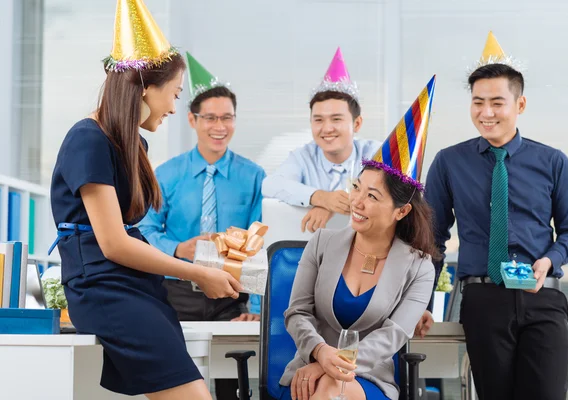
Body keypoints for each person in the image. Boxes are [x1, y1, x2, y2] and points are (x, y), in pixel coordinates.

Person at [48, 1, 241, 398]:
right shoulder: (88, 138)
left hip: (138, 287)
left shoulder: (132, 142)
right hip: (104, 288)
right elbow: (115, 243)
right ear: (145, 88)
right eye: (173, 94)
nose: (174, 106)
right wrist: (198, 272)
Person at [425, 32, 568, 400]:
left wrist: (550, 260)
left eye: (497, 102)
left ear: (520, 104)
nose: (486, 113)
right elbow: (431, 239)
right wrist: (421, 302)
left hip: (541, 295)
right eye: (478, 102)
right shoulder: (449, 162)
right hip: (483, 300)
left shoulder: (553, 162)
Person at [279, 77, 437, 400]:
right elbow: (296, 313)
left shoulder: (420, 268)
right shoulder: (322, 243)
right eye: (356, 189)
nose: (357, 203)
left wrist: (329, 366)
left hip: (368, 378)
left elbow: (392, 337)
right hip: (306, 370)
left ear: (401, 212)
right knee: (326, 387)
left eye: (373, 197)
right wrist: (320, 354)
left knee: (331, 386)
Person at [138, 51, 265, 400]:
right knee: (176, 375)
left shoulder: (254, 178)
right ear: (192, 121)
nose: (219, 126)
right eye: (209, 117)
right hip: (175, 292)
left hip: (230, 295)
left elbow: (258, 244)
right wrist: (179, 249)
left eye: (227, 118)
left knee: (231, 379)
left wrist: (253, 309)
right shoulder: (165, 174)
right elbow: (144, 231)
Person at [262, 47, 379, 233]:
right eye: (318, 120)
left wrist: (334, 205)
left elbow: (390, 193)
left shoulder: (375, 153)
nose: (327, 128)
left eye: (336, 119)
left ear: (357, 124)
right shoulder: (303, 156)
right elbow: (271, 185)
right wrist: (321, 198)